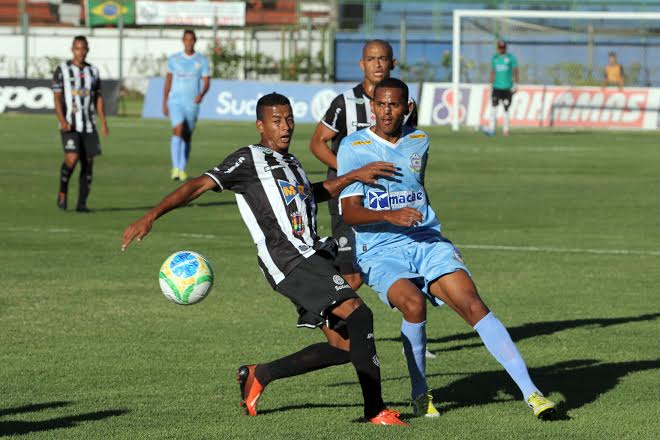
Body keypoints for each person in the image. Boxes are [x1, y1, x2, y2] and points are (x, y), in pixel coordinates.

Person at [121, 93, 408, 426]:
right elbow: (199, 184)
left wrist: (352, 176)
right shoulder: (248, 159)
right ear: (260, 125)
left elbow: (308, 195)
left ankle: (260, 375)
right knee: (361, 317)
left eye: (289, 119)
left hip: (314, 254)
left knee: (345, 347)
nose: (285, 127)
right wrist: (152, 214)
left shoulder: (292, 162)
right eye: (276, 121)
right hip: (289, 259)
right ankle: (376, 411)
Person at [337, 78, 557, 420]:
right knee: (413, 305)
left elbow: (415, 188)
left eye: (394, 105)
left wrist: (416, 217)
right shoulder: (354, 146)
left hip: (425, 240)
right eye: (380, 104)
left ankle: (533, 394)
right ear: (372, 106)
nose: (386, 111)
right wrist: (390, 215)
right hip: (380, 249)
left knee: (473, 304)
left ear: (407, 108)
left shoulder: (420, 141)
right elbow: (349, 212)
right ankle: (420, 393)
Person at [52, 35, 109, 212]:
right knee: (71, 158)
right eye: (78, 48)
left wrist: (103, 121)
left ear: (88, 50)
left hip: (89, 125)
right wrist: (62, 120)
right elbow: (57, 97)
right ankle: (62, 192)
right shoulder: (62, 70)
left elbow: (98, 97)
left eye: (84, 48)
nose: (81, 52)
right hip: (69, 124)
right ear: (72, 49)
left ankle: (82, 204)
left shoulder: (93, 71)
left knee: (88, 162)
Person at [163, 29, 210, 181]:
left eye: (191, 39)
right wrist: (164, 101)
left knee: (187, 135)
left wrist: (201, 95)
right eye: (186, 39)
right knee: (178, 129)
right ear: (183, 41)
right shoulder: (174, 59)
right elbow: (168, 80)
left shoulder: (202, 60)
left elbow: (207, 82)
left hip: (192, 103)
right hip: (175, 101)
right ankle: (175, 168)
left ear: (195, 41)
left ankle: (182, 168)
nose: (189, 42)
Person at [486, 40, 518, 136]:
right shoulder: (495, 58)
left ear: (505, 48)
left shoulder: (510, 58)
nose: (501, 49)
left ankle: (506, 130)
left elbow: (515, 70)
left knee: (506, 108)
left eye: (503, 47)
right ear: (497, 48)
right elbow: (493, 71)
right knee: (493, 107)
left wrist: (516, 84)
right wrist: (490, 83)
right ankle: (491, 129)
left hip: (507, 87)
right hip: (496, 87)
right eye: (500, 47)